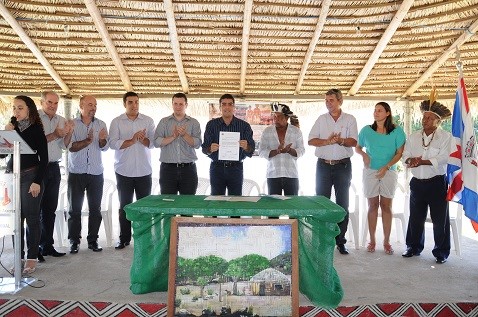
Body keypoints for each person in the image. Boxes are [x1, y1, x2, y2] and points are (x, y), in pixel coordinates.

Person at [402, 99, 452, 264]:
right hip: (417, 183)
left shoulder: (445, 137)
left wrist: (422, 161)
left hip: (437, 183)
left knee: (440, 220)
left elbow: (444, 157)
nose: (425, 120)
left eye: (430, 118)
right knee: (415, 217)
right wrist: (411, 160)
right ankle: (413, 247)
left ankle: (441, 252)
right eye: (424, 117)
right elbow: (405, 155)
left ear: (438, 121)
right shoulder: (414, 136)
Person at [308, 88, 358, 255]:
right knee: (321, 203)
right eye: (326, 100)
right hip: (323, 166)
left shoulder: (350, 119)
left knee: (342, 204)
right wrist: (327, 141)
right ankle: (322, 240)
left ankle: (341, 241)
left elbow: (353, 141)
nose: (328, 103)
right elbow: (311, 140)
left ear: (340, 101)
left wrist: (341, 140)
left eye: (331, 100)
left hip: (343, 166)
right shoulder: (321, 119)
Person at [4, 95, 48, 274]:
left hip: (30, 177)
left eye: (20, 108)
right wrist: (7, 134)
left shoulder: (36, 129)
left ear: (29, 109)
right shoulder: (12, 129)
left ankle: (31, 258)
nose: (16, 111)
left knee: (31, 218)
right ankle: (18, 257)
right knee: (16, 220)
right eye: (14, 108)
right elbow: (2, 154)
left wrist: (37, 181)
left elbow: (44, 159)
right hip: (12, 178)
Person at [355, 102, 406, 255]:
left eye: (379, 110)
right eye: (375, 110)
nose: (376, 113)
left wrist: (387, 166)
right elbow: (358, 147)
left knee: (386, 206)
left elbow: (399, 153)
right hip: (370, 171)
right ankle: (372, 241)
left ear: (387, 113)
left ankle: (386, 241)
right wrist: (363, 154)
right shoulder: (366, 130)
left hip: (389, 172)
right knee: (372, 205)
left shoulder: (397, 131)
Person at [109, 92, 155, 250]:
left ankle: (145, 238)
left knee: (145, 207)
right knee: (125, 206)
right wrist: (132, 139)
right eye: (130, 102)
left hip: (144, 170)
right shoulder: (116, 122)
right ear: (124, 104)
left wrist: (143, 140)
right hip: (124, 171)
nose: (134, 105)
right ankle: (124, 238)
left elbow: (153, 144)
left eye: (136, 102)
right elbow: (113, 144)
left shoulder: (148, 121)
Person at [67, 95, 108, 254]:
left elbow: (104, 148)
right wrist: (88, 140)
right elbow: (70, 147)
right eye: (90, 104)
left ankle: (93, 240)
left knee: (95, 209)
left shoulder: (101, 124)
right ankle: (74, 241)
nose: (93, 107)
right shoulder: (72, 124)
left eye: (95, 105)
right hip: (77, 172)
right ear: (81, 106)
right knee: (74, 209)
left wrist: (102, 140)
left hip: (96, 173)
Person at [37, 91, 75, 262]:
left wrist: (69, 132)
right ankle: (34, 248)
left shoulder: (61, 119)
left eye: (55, 103)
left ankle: (47, 245)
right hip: (37, 168)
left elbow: (64, 145)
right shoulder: (34, 118)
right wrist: (56, 134)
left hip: (54, 167)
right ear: (42, 102)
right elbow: (34, 144)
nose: (52, 106)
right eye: (49, 102)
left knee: (50, 210)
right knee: (35, 211)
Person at [202, 93, 255, 195]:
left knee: (235, 201)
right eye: (224, 104)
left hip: (236, 168)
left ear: (234, 107)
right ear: (220, 107)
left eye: (230, 104)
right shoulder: (211, 125)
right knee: (216, 201)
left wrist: (246, 147)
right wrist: (210, 149)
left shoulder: (244, 126)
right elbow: (204, 149)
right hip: (217, 168)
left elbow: (251, 150)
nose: (227, 107)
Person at [154, 92, 202, 195]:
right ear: (172, 104)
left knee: (187, 205)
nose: (178, 107)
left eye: (181, 104)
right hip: (168, 169)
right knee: (167, 204)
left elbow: (197, 144)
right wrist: (173, 137)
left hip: (188, 169)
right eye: (175, 103)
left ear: (186, 105)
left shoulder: (194, 122)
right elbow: (156, 142)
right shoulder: (164, 122)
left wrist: (184, 135)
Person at [259, 103, 304, 195]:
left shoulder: (296, 131)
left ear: (287, 118)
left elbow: (302, 150)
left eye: (279, 116)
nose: (276, 119)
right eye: (274, 116)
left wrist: (289, 150)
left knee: (292, 205)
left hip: (291, 174)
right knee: (275, 206)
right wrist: (276, 151)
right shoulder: (267, 131)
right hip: (273, 174)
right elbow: (261, 151)